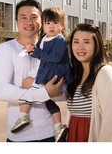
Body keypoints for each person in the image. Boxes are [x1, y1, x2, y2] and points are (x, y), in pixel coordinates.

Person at [0, 0, 65, 142]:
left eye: (34, 17)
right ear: (16, 22)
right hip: (20, 137)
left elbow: (65, 91)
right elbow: (1, 91)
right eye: (23, 17)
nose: (29, 22)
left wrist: (49, 91)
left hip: (51, 134)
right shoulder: (6, 49)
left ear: (42, 22)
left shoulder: (54, 50)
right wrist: (44, 92)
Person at [11, 7, 72, 142]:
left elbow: (55, 57)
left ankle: (25, 116)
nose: (51, 26)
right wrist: (30, 50)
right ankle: (57, 126)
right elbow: (37, 52)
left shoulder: (60, 40)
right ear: (43, 25)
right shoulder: (44, 38)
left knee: (33, 89)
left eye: (55, 23)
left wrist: (37, 53)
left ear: (62, 25)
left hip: (54, 72)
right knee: (42, 97)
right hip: (44, 68)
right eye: (48, 23)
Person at [66, 23, 112, 142]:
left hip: (94, 136)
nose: (80, 47)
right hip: (75, 135)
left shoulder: (105, 73)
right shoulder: (75, 74)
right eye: (76, 41)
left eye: (86, 42)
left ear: (96, 45)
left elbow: (111, 121)